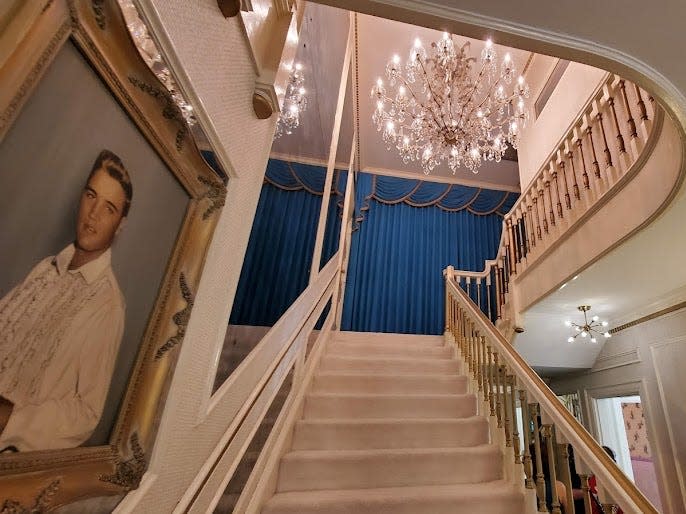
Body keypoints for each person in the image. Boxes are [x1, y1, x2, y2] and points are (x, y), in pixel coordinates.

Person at [0, 149, 132, 452]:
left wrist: (11, 419)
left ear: (120, 224)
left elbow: (85, 415)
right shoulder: (45, 269)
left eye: (109, 208)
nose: (93, 214)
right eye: (90, 196)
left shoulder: (108, 305)